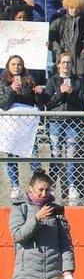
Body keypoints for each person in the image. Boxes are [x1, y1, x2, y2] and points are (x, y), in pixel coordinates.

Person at [40, 53, 84, 204]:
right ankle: (52, 186)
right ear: (58, 64)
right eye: (63, 62)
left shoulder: (78, 80)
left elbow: (82, 102)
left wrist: (72, 93)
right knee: (56, 154)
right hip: (55, 121)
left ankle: (71, 186)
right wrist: (60, 92)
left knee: (71, 155)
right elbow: (49, 103)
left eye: (68, 62)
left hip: (73, 122)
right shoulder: (52, 81)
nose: (66, 65)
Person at [0, 56, 44, 200]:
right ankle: (15, 187)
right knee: (11, 157)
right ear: (8, 66)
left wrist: (38, 94)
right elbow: (3, 104)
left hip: (26, 126)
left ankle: (36, 186)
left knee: (33, 155)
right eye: (13, 64)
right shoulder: (2, 81)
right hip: (11, 125)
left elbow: (36, 103)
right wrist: (11, 90)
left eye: (19, 64)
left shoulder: (29, 80)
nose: (16, 67)